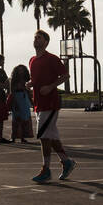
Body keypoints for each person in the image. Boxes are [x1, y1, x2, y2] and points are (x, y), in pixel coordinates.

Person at [28, 29, 75, 183]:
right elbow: (36, 79)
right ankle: (66, 162)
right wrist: (30, 83)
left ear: (46, 42)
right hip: (38, 104)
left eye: (39, 38)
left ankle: (46, 169)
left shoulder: (52, 58)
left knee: (43, 136)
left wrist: (50, 86)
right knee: (51, 137)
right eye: (35, 37)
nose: (36, 40)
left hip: (50, 104)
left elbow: (65, 75)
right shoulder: (32, 60)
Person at [9, 64, 33, 143]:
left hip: (24, 98)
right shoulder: (13, 79)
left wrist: (31, 100)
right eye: (19, 70)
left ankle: (23, 137)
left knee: (24, 118)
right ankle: (13, 137)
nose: (21, 71)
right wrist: (14, 102)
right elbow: (12, 91)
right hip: (16, 97)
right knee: (15, 118)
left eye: (22, 70)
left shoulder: (26, 79)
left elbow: (28, 90)